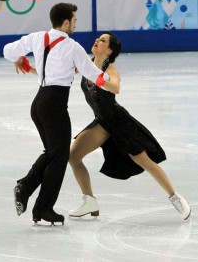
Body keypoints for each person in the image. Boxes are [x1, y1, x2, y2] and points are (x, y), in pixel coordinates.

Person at [3, 3, 115, 225]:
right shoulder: (72, 46)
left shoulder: (36, 37)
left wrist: (17, 58)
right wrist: (112, 81)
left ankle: (28, 190)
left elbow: (8, 50)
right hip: (55, 105)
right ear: (65, 22)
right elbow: (92, 72)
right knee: (59, 155)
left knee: (54, 152)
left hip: (39, 103)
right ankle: (42, 205)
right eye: (74, 21)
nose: (75, 25)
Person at [68, 32, 191, 221]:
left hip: (119, 122)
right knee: (74, 156)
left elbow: (116, 87)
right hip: (102, 122)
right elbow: (58, 72)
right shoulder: (86, 64)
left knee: (143, 160)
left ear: (109, 50)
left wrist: (101, 79)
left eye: (102, 40)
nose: (97, 40)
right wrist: (30, 68)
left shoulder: (110, 69)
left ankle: (175, 197)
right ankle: (89, 200)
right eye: (98, 38)